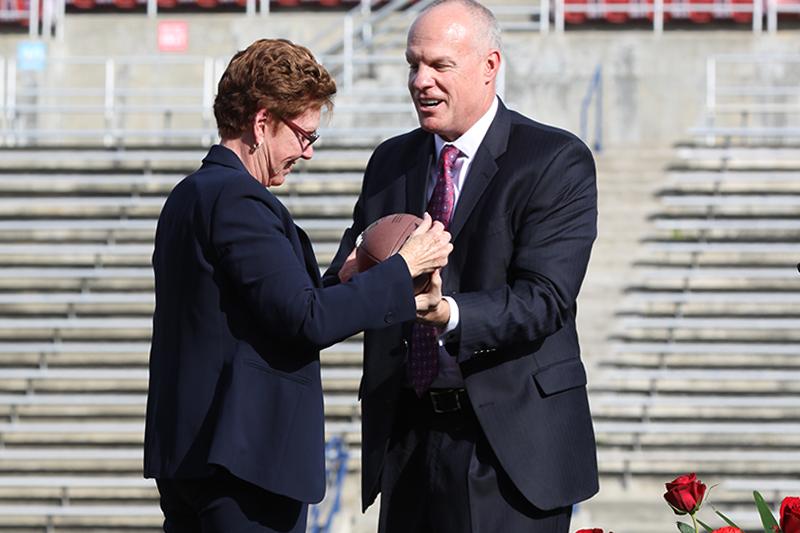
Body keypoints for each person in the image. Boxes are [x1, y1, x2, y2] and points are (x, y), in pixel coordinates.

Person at [143, 38, 452, 533]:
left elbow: (266, 311)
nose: (306, 152)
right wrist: (404, 267)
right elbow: (307, 321)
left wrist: (344, 278)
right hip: (242, 465)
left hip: (196, 455)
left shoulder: (190, 195)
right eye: (303, 135)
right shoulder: (239, 200)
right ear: (262, 124)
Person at [324, 2, 599, 532]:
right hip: (407, 437)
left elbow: (544, 299)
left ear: (489, 65)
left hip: (508, 448)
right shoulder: (390, 161)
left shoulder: (554, 160)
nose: (420, 81)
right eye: (413, 64)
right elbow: (351, 269)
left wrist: (445, 312)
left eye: (439, 65)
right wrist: (344, 279)